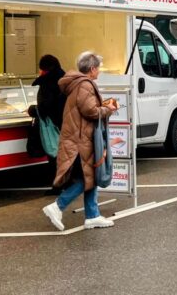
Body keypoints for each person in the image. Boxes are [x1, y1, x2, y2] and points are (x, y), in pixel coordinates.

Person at [43, 51, 118, 231]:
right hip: (80, 141)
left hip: (78, 139)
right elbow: (91, 111)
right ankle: (57, 206)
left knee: (88, 175)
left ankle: (92, 215)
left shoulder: (77, 83)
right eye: (98, 68)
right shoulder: (85, 85)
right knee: (86, 179)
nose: (99, 71)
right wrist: (108, 108)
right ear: (92, 69)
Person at [32, 54, 67, 128]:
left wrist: (32, 110)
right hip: (64, 126)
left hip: (51, 126)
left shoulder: (47, 83)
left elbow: (46, 107)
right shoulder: (65, 80)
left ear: (44, 70)